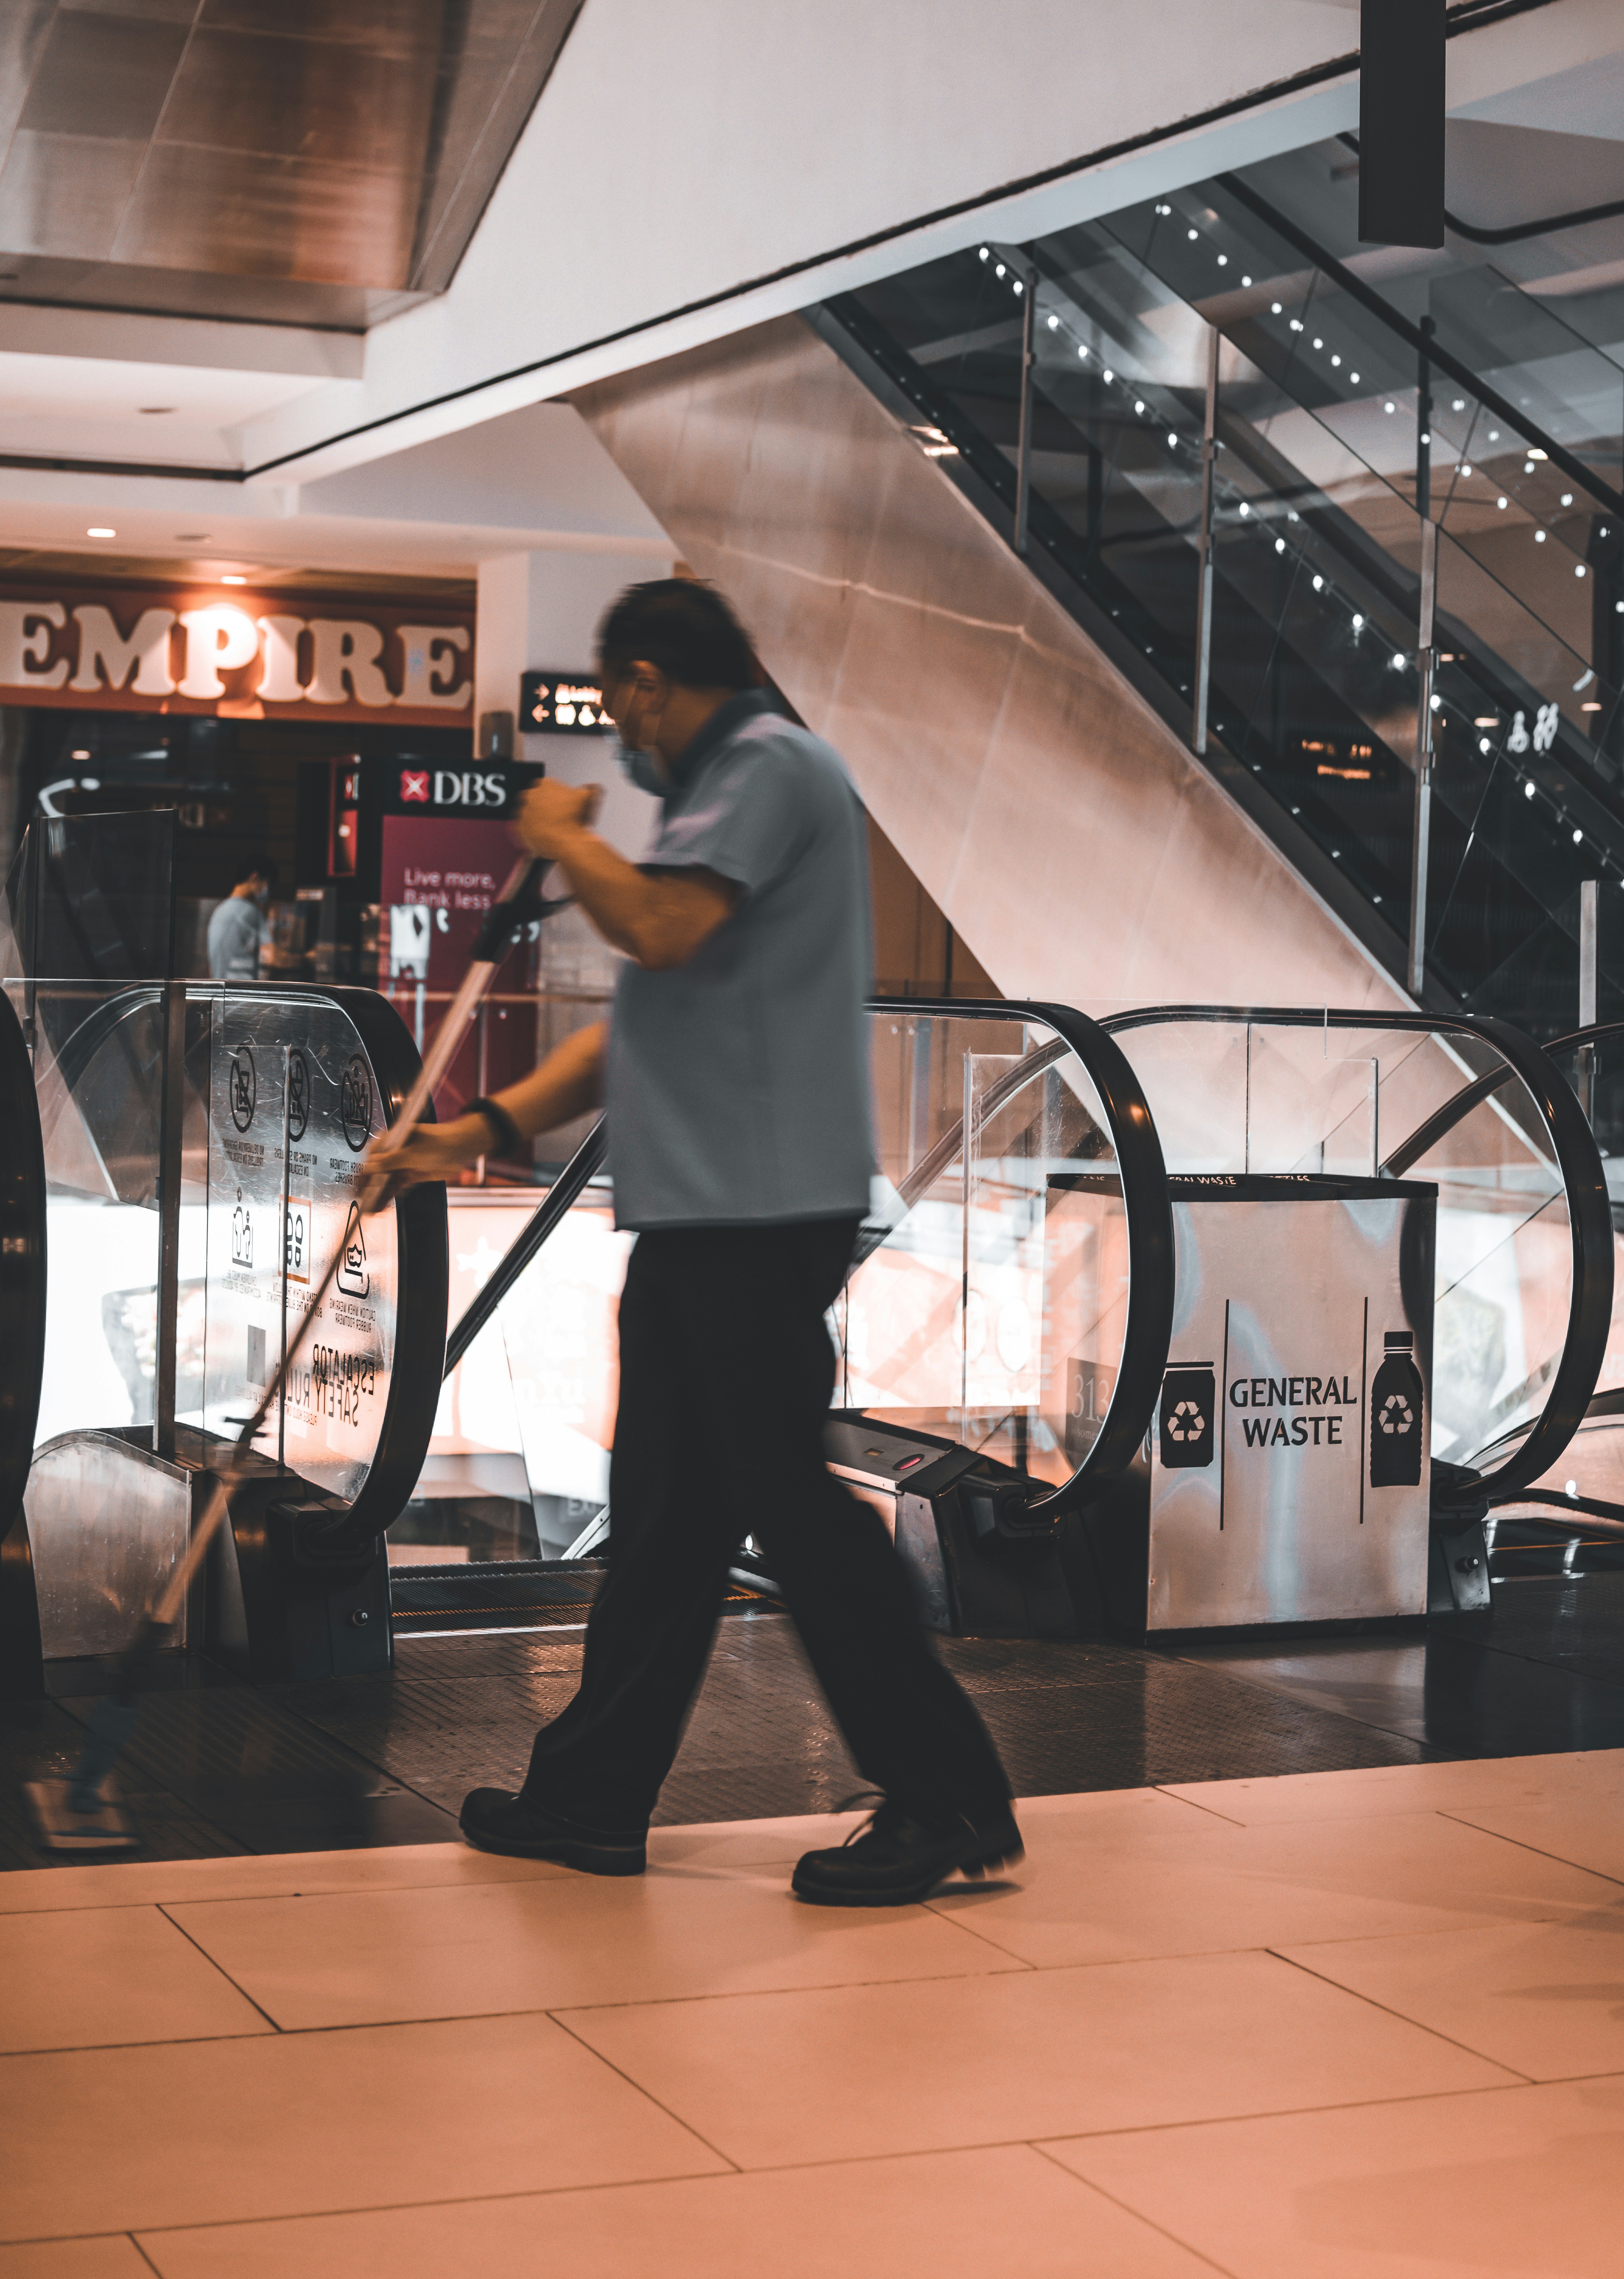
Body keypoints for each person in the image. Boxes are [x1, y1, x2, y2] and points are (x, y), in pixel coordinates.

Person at [362, 579, 1019, 1905]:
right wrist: (464, 1132)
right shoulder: (715, 803)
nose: (622, 739)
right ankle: (593, 1802)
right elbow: (637, 1033)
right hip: (701, 1217)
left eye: (619, 710)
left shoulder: (771, 767)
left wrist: (557, 833)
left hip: (756, 1217)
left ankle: (944, 1794)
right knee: (666, 1523)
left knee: (784, 1504)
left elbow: (659, 926)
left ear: (653, 681)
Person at [205, 859, 275, 982]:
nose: (268, 891)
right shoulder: (249, 911)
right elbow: (272, 958)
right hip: (242, 994)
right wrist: (306, 958)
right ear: (255, 878)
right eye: (268, 883)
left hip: (221, 993)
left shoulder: (220, 910)